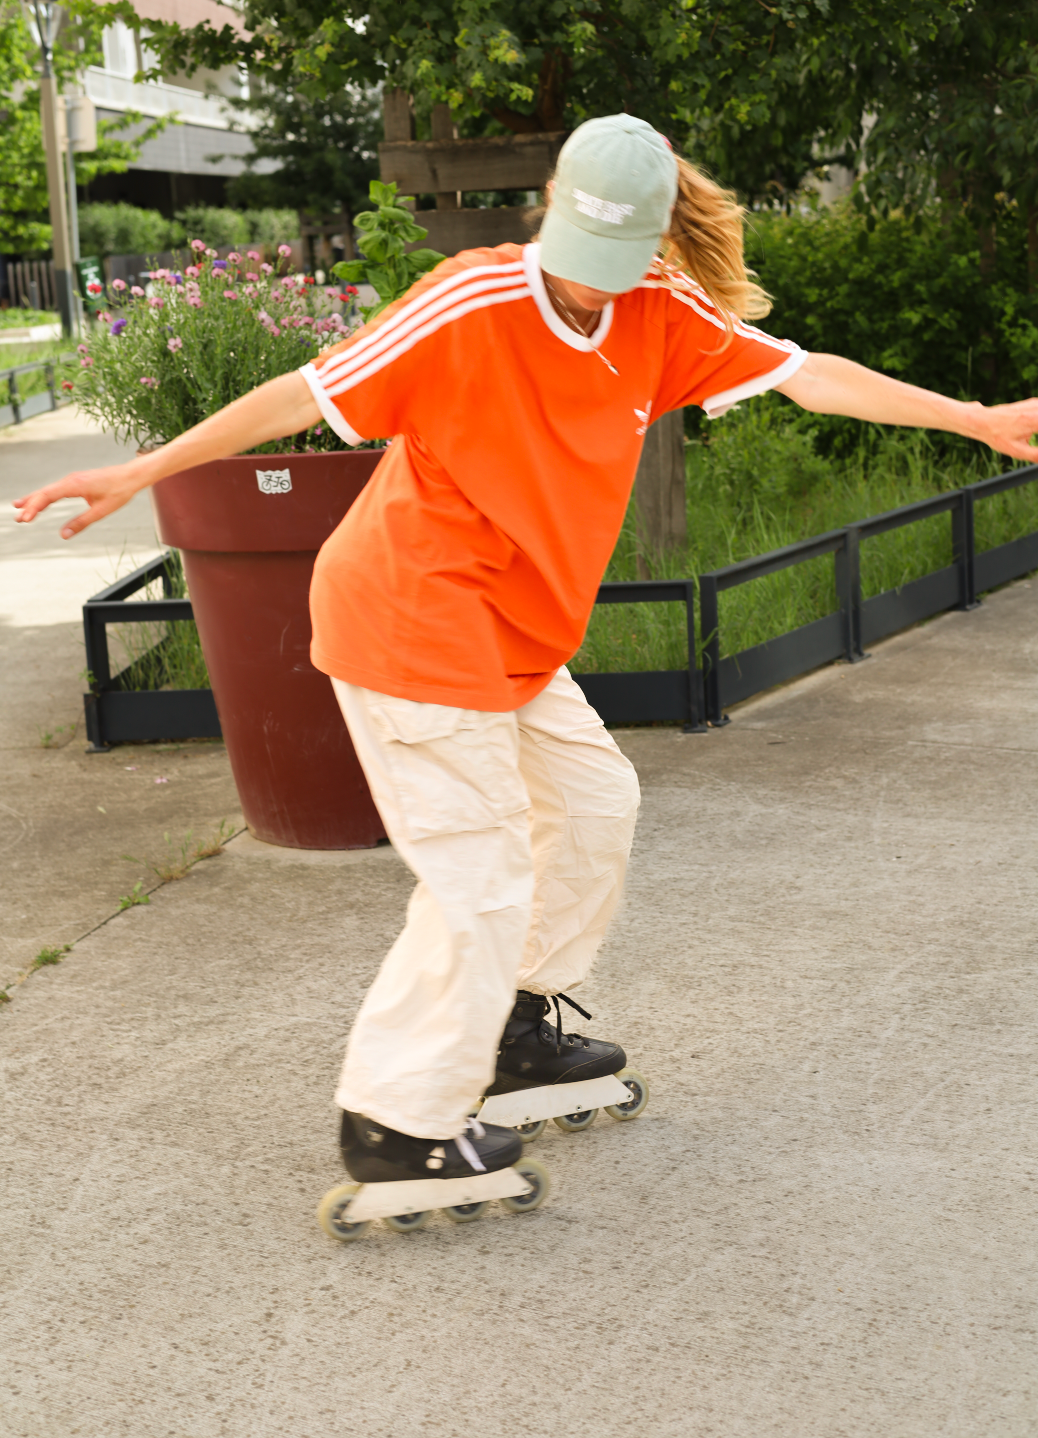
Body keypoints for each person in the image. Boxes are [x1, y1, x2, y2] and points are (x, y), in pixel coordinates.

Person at [16, 116, 1038, 1202]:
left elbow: (810, 376)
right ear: (548, 206)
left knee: (595, 803)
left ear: (654, 240)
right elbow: (303, 395)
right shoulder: (470, 300)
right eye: (579, 258)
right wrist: (140, 473)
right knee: (482, 874)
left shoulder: (660, 310)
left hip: (514, 631)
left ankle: (506, 1030)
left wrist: (971, 418)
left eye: (617, 265)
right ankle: (396, 1120)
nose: (590, 287)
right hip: (409, 616)